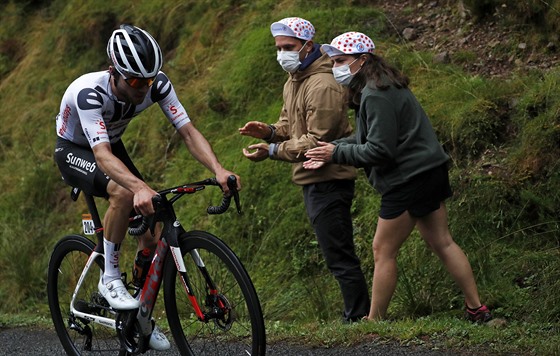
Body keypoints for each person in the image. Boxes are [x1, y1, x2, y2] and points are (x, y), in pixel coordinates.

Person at [54, 24, 240, 349]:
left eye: (150, 80)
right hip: (75, 149)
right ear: (114, 72)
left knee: (151, 235)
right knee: (125, 192)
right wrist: (138, 186)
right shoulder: (90, 92)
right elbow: (100, 155)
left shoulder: (156, 84)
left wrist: (219, 169)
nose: (144, 88)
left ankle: (139, 314)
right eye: (137, 82)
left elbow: (188, 132)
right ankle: (110, 276)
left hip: (110, 144)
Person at [304, 32, 492, 323]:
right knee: (442, 242)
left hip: (409, 179)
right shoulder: (381, 86)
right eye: (333, 61)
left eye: (341, 60)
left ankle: (373, 321)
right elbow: (369, 137)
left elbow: (379, 150)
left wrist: (335, 155)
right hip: (430, 171)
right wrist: (333, 148)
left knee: (383, 249)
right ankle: (476, 308)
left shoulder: (375, 94)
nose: (335, 67)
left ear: (362, 60)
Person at [238, 18, 370, 322]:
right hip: (312, 178)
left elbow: (315, 139)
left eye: (289, 47)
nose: (282, 53)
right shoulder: (295, 78)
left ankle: (358, 316)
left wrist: (272, 151)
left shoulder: (322, 84)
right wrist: (269, 132)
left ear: (308, 46)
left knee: (339, 254)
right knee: (335, 251)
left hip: (329, 177)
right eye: (279, 48)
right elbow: (290, 125)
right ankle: (357, 313)